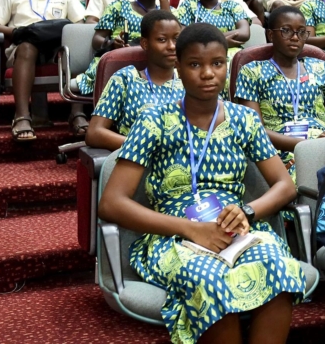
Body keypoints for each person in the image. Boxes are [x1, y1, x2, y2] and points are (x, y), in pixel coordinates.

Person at [98, 23, 309, 344]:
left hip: (237, 229)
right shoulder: (154, 120)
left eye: (218, 63)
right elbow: (111, 203)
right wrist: (191, 229)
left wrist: (248, 211)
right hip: (174, 234)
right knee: (210, 280)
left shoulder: (244, 119)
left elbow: (285, 185)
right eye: (195, 64)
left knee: (279, 268)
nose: (208, 73)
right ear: (179, 67)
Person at [0, 0, 86, 140]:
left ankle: (77, 113)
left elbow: (80, 23)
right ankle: (22, 116)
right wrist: (16, 32)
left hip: (58, 47)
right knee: (27, 47)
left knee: (76, 47)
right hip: (23, 45)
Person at [235, 5, 325, 177]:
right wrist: (305, 146)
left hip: (323, 146)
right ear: (270, 35)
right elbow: (254, 129)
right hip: (275, 152)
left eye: (301, 32)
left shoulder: (320, 67)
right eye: (286, 31)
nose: (295, 37)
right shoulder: (252, 72)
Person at [75, 0, 172, 108]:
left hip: (154, 60)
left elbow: (171, 36)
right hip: (120, 57)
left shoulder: (169, 10)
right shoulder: (118, 7)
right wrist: (112, 43)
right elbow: (97, 40)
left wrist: (164, 1)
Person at [85, 9, 184, 150]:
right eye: (162, 40)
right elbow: (94, 133)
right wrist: (144, 146)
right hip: (137, 157)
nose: (172, 46)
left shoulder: (189, 79)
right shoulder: (126, 79)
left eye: (177, 39)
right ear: (145, 43)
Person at [174, 0, 251, 57]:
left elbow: (244, 33)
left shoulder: (233, 6)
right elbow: (183, 36)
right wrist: (222, 42)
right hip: (198, 55)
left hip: (233, 56)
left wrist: (203, 39)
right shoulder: (188, 5)